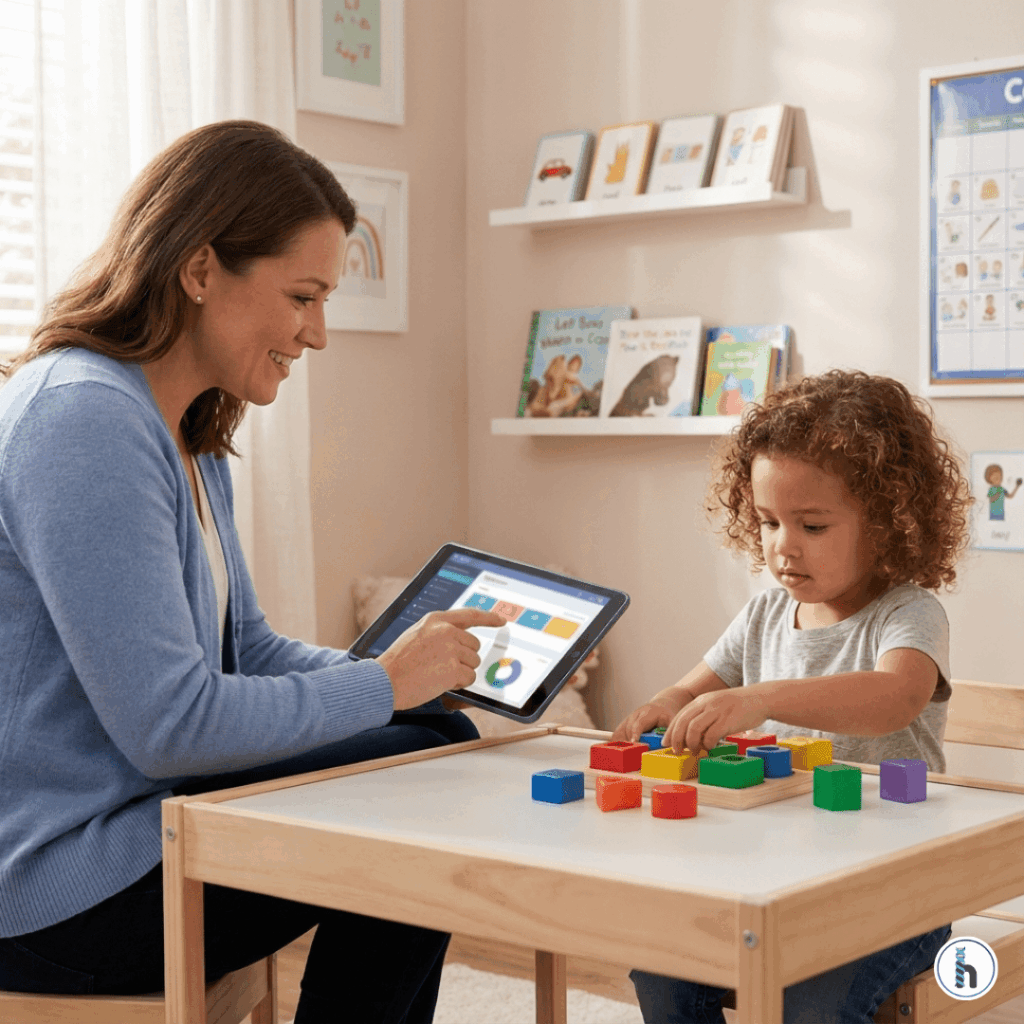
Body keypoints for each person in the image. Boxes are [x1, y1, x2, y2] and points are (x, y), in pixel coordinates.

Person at [0, 120, 505, 1023]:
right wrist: (382, 685)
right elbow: (172, 727)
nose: (317, 333)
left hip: (145, 826)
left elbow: (249, 651)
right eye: (303, 296)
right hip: (55, 883)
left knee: (435, 749)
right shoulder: (84, 422)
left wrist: (405, 682)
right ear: (200, 270)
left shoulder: (189, 429)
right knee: (419, 797)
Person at [612, 369, 973, 1024]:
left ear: (891, 523)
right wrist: (666, 704)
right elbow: (695, 687)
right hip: (775, 879)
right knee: (661, 965)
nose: (783, 547)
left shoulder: (908, 615)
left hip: (894, 890)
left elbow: (894, 696)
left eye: (811, 525)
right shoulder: (763, 616)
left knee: (813, 1001)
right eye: (770, 521)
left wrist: (761, 698)